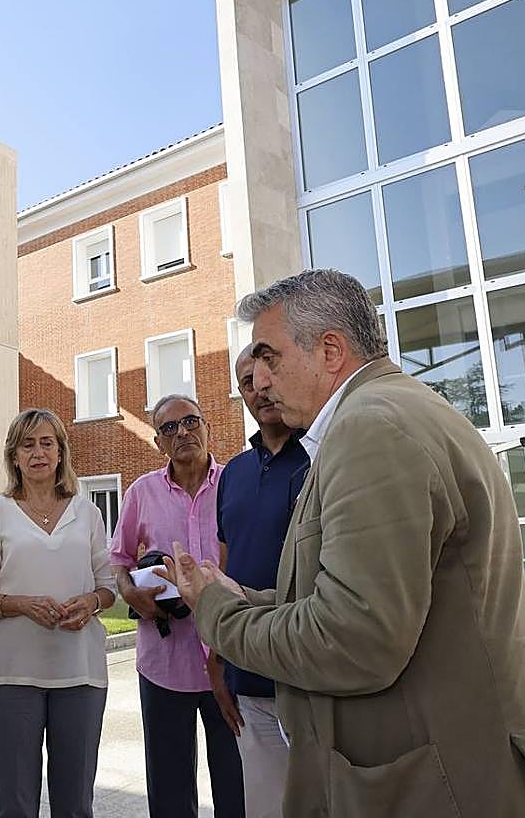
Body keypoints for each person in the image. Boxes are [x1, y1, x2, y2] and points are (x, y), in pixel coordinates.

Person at [162, 270, 525, 817]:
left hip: (446, 785)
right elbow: (349, 601)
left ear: (330, 350)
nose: (257, 378)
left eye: (269, 356)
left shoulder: (370, 428)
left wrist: (216, 613)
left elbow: (351, 639)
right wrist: (238, 597)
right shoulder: (393, 411)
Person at [0, 408, 117, 818]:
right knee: (15, 804)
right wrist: (22, 605)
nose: (37, 452)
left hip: (80, 674)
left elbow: (109, 587)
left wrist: (91, 602)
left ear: (61, 452)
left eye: (47, 443)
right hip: (11, 676)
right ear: (14, 456)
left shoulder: (88, 513)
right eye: (27, 444)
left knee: (75, 804)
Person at [110, 394, 244, 818]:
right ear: (157, 443)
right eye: (169, 428)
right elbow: (119, 559)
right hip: (165, 664)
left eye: (190, 421)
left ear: (207, 426)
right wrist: (129, 592)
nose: (182, 432)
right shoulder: (141, 493)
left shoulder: (235, 483)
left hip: (234, 658)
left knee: (238, 786)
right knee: (169, 792)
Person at [215, 345, 308, 818]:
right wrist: (218, 659)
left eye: (265, 374)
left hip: (311, 676)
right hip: (249, 676)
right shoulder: (233, 473)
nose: (259, 389)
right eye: (246, 382)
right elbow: (227, 568)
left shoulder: (320, 457)